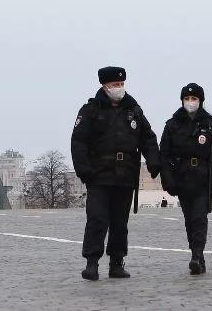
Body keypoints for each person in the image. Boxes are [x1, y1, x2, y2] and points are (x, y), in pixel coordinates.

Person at [71, 66, 160, 281]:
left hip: (125, 175)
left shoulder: (134, 110)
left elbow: (148, 137)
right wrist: (84, 171)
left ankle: (117, 262)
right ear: (104, 85)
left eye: (121, 84)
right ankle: (92, 263)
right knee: (97, 219)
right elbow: (78, 141)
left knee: (120, 222)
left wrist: (154, 161)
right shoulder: (91, 110)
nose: (118, 88)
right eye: (114, 85)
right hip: (98, 176)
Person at [158, 82, 212, 275]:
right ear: (182, 101)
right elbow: (164, 155)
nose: (191, 102)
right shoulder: (172, 125)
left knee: (199, 217)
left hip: (203, 178)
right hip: (182, 177)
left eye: (194, 98)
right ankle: (198, 254)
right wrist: (168, 180)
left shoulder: (210, 125)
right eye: (187, 99)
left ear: (201, 101)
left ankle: (196, 255)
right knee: (190, 219)